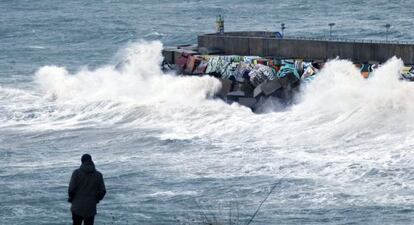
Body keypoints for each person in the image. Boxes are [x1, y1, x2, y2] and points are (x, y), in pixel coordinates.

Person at [68, 154, 106, 225]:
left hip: (77, 206)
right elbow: (102, 191)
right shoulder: (98, 175)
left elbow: (71, 189)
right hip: (90, 207)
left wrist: (71, 198)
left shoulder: (76, 173)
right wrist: (97, 199)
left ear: (82, 161)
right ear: (91, 161)